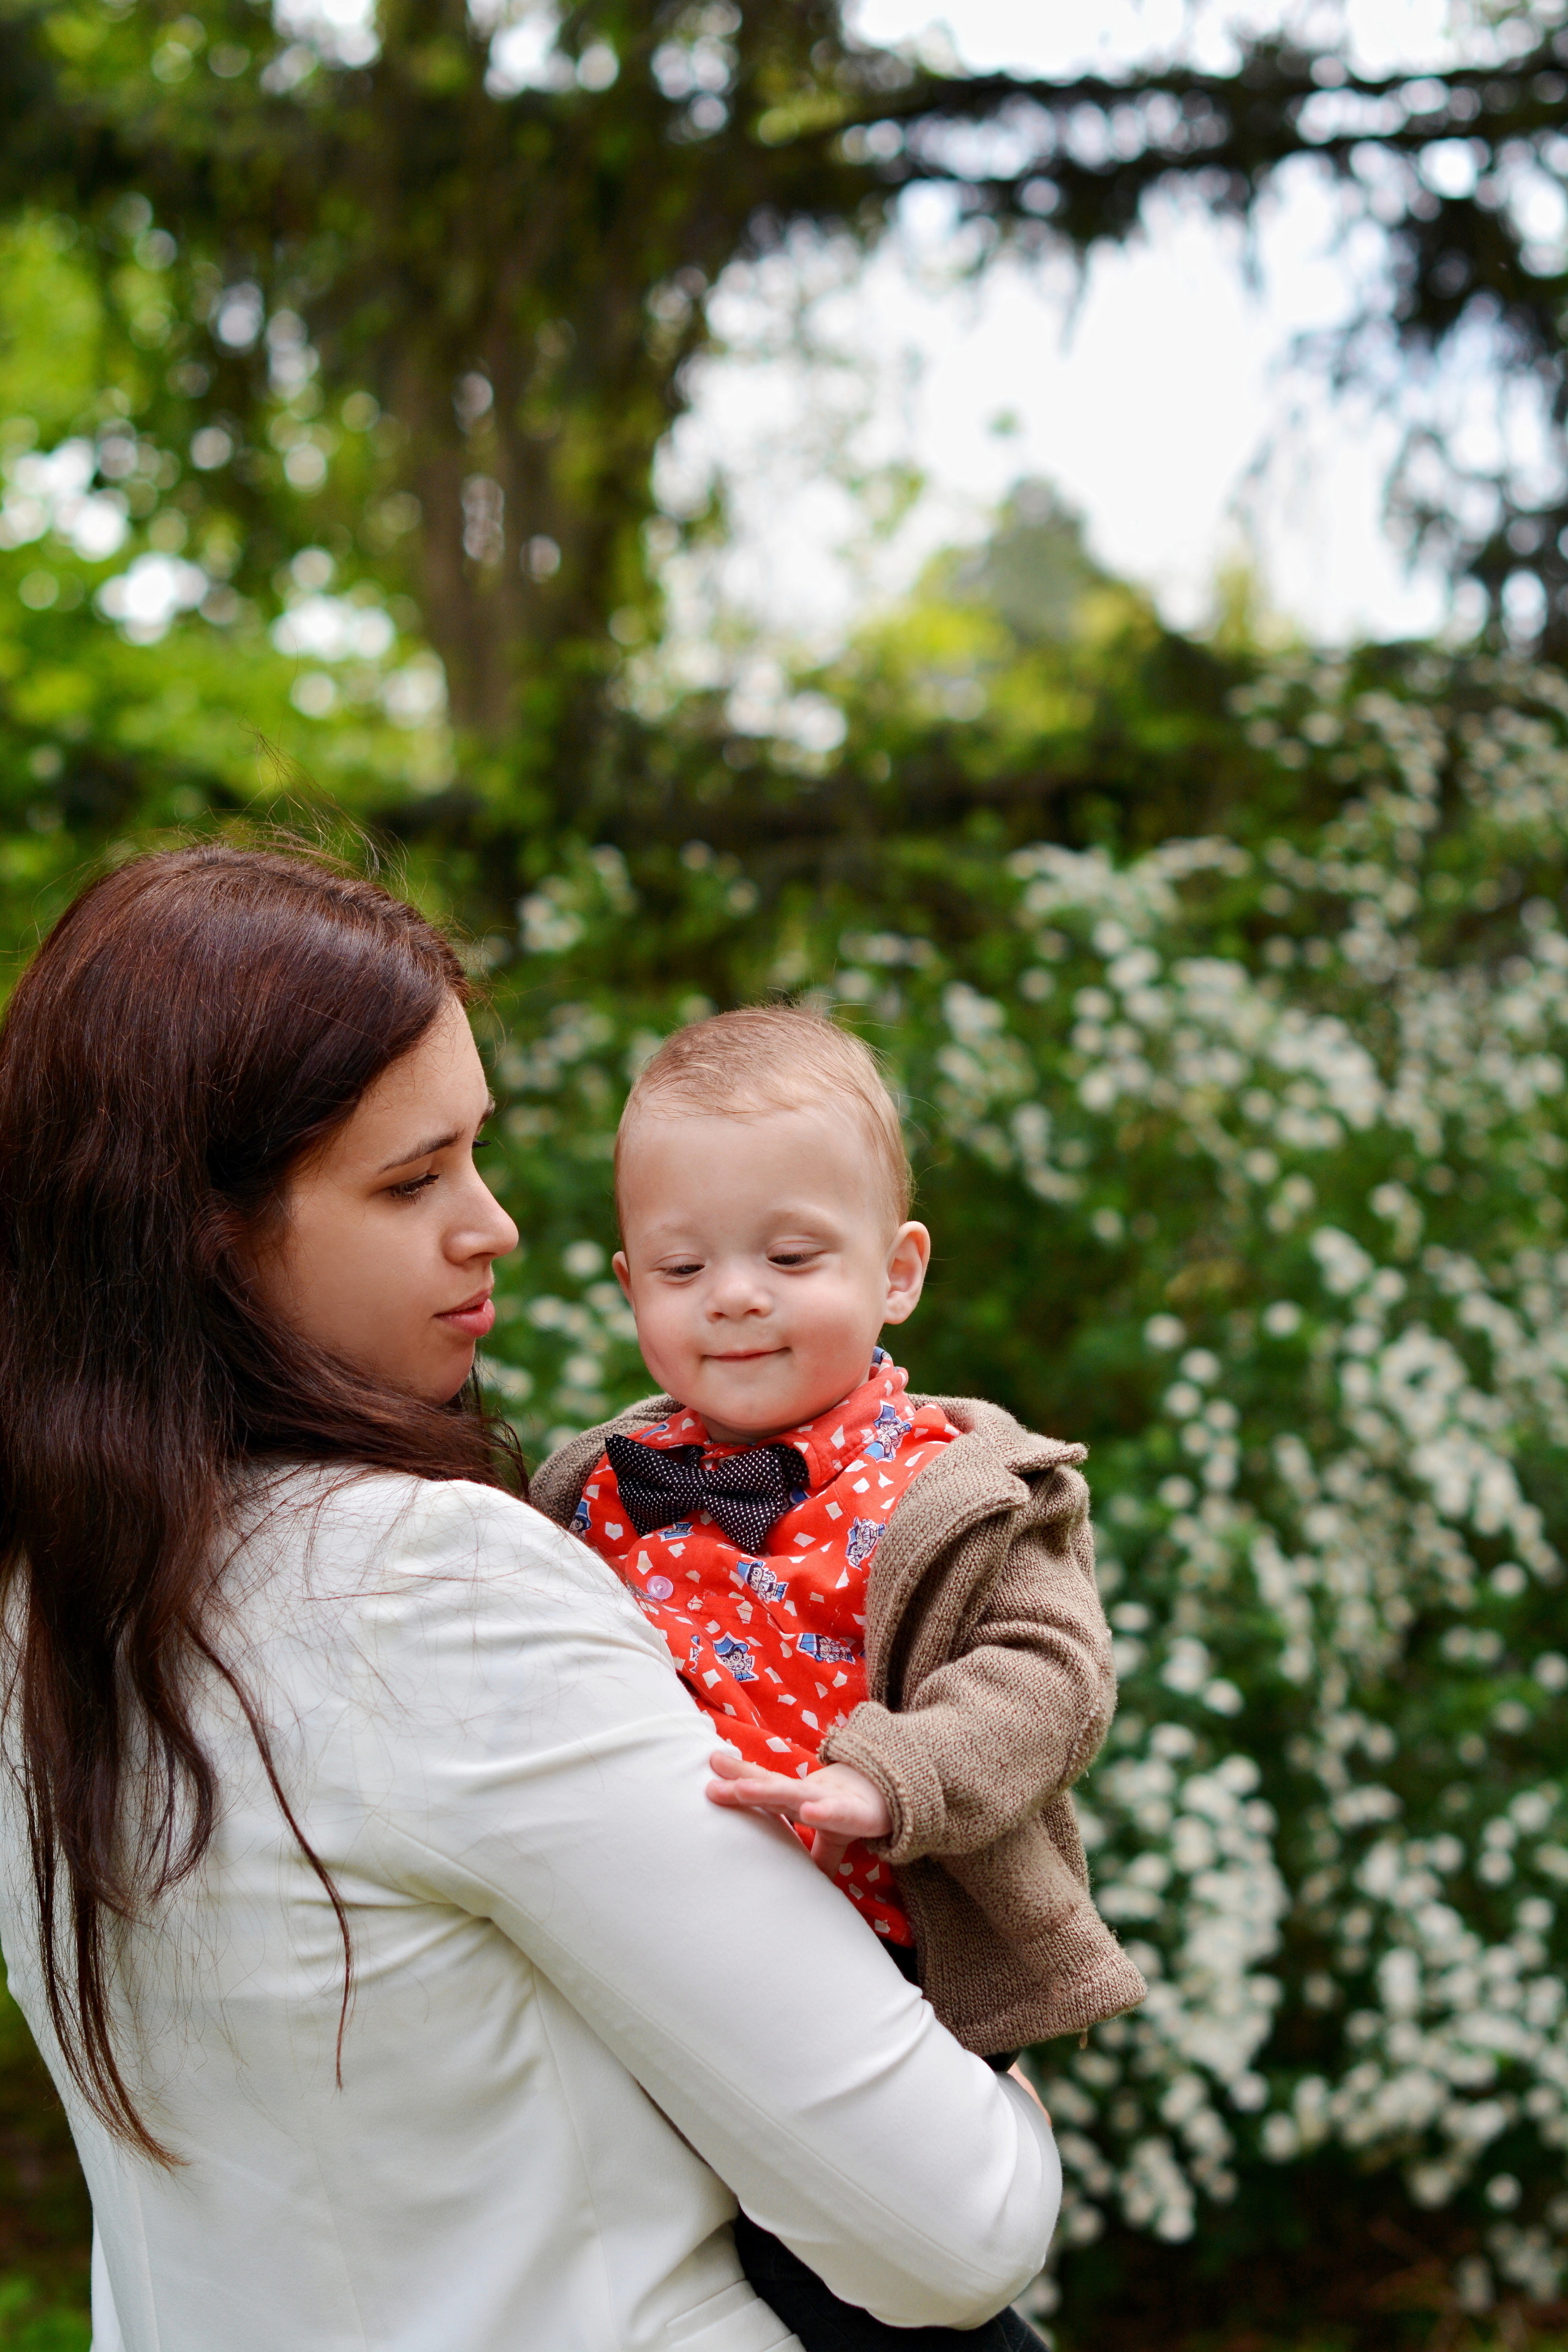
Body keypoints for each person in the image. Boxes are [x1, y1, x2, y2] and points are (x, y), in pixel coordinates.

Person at [0, 846, 1061, 2352]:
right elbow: (955, 2229)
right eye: (412, 1179)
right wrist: (982, 2035)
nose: (492, 1223)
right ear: (202, 1236)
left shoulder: (42, 1599)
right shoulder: (428, 1591)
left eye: (475, 1152)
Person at [533, 1006, 1145, 2352]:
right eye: (683, 1267)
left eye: (790, 1255)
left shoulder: (962, 1486)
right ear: (630, 1285)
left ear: (896, 1271)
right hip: (676, 1953)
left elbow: (1052, 1676)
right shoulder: (591, 1491)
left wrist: (888, 1775)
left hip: (889, 1956)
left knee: (872, 2291)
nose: (734, 1294)